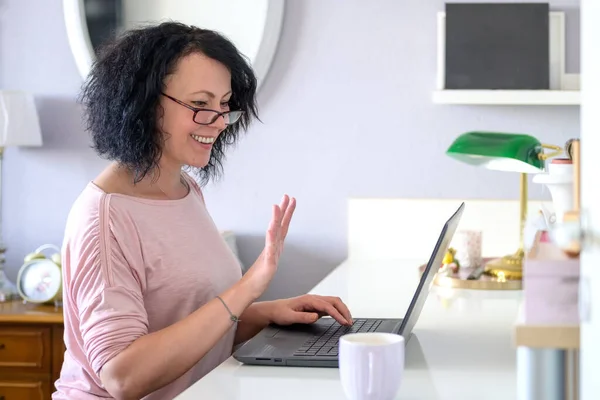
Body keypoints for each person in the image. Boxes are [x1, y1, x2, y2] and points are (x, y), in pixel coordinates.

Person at [53, 21, 353, 400]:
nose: (216, 122)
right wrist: (249, 285)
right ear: (142, 102)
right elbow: (123, 376)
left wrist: (270, 311)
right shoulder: (105, 217)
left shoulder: (184, 189)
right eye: (199, 104)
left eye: (224, 105)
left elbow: (193, 326)